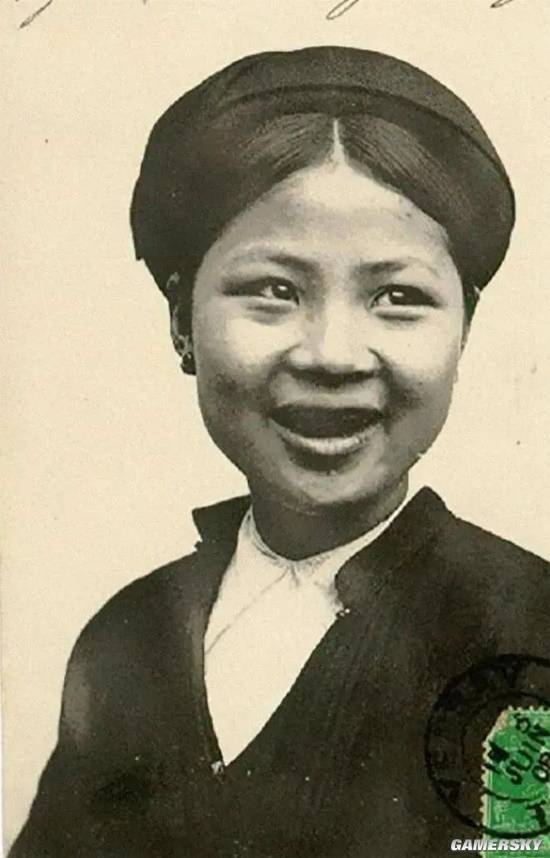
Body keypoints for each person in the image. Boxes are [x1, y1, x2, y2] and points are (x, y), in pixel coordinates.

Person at [10, 45, 550, 858]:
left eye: (398, 296)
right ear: (182, 321)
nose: (333, 355)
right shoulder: (129, 637)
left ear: (464, 329)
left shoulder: (529, 627)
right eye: (274, 290)